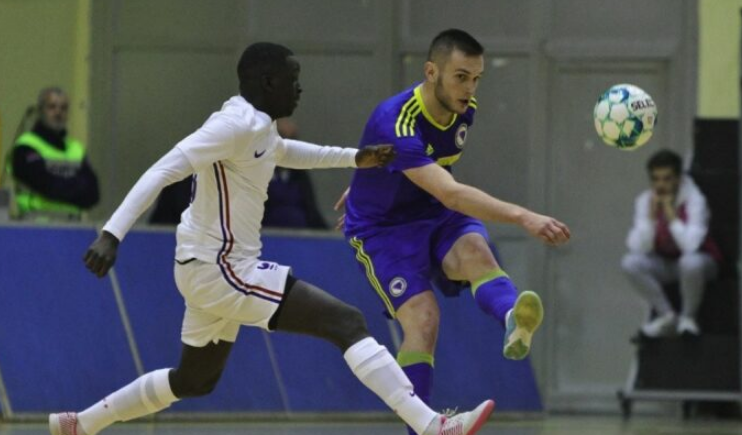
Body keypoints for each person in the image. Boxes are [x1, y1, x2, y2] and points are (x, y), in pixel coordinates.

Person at [48, 42, 493, 435]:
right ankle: (432, 425)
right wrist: (111, 233)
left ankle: (80, 424)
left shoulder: (259, 126)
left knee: (194, 380)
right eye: (293, 79)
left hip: (205, 270)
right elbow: (162, 169)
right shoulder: (231, 126)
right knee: (346, 322)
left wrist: (356, 159)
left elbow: (285, 152)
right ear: (267, 81)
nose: (299, 89)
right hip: (222, 268)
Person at [335, 29, 570, 435]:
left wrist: (370, 178)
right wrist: (524, 216)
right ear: (431, 72)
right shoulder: (396, 119)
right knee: (423, 318)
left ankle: (513, 318)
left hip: (433, 210)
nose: (469, 88)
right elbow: (451, 192)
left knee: (477, 252)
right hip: (383, 230)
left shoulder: (464, 109)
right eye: (461, 76)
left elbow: (430, 171)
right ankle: (422, 430)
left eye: (476, 78)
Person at [621, 149, 721, 337]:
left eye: (667, 179)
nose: (661, 185)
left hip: (702, 265)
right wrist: (650, 220)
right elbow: (637, 247)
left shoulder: (695, 200)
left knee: (690, 262)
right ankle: (667, 315)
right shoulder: (645, 201)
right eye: (656, 179)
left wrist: (671, 217)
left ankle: (688, 318)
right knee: (630, 263)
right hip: (667, 264)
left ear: (678, 178)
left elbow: (690, 246)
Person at [8, 87, 99, 221]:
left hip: (73, 227)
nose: (58, 112)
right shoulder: (25, 146)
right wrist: (76, 187)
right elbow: (44, 184)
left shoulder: (76, 149)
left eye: (63, 108)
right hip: (34, 226)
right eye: (52, 107)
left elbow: (93, 194)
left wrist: (59, 186)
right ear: (40, 111)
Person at [263, 118, 328, 229]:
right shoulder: (258, 173)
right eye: (283, 138)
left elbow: (311, 210)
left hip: (300, 239)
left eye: (292, 140)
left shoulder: (299, 175)